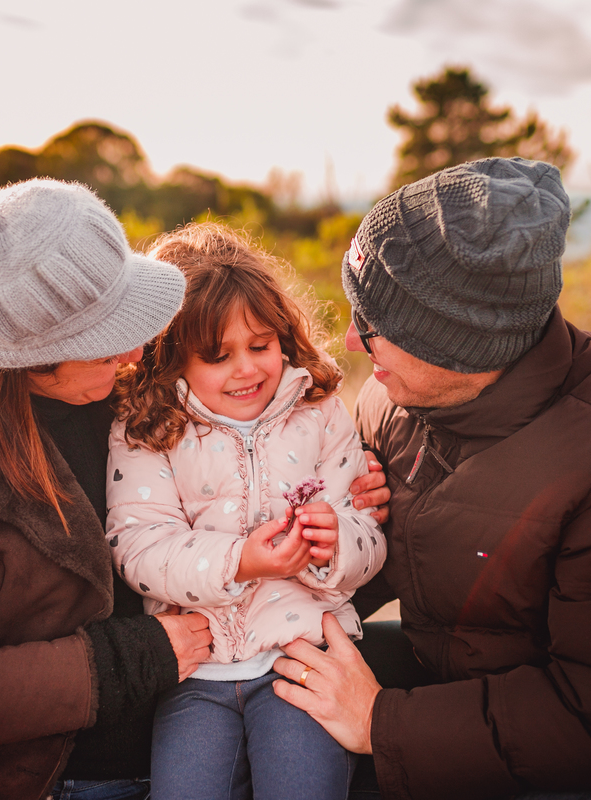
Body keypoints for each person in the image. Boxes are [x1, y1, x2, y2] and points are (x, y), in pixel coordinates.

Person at [0, 180, 391, 800]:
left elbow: (267, 494)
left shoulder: (148, 395)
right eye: (103, 338)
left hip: (223, 725)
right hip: (58, 779)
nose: (134, 349)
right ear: (34, 356)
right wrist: (125, 661)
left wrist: (349, 507)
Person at [271, 158, 591, 800]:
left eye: (373, 328)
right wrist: (324, 545)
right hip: (471, 672)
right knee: (279, 685)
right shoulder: (389, 398)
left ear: (461, 346)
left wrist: (381, 723)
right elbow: (379, 570)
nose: (349, 341)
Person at [106, 223, 387, 800]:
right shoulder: (147, 431)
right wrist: (241, 562)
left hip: (304, 659)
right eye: (217, 356)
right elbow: (139, 548)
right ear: (172, 357)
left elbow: (368, 532)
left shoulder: (320, 412)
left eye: (261, 346)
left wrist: (337, 542)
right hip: (196, 670)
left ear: (283, 336)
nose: (247, 370)